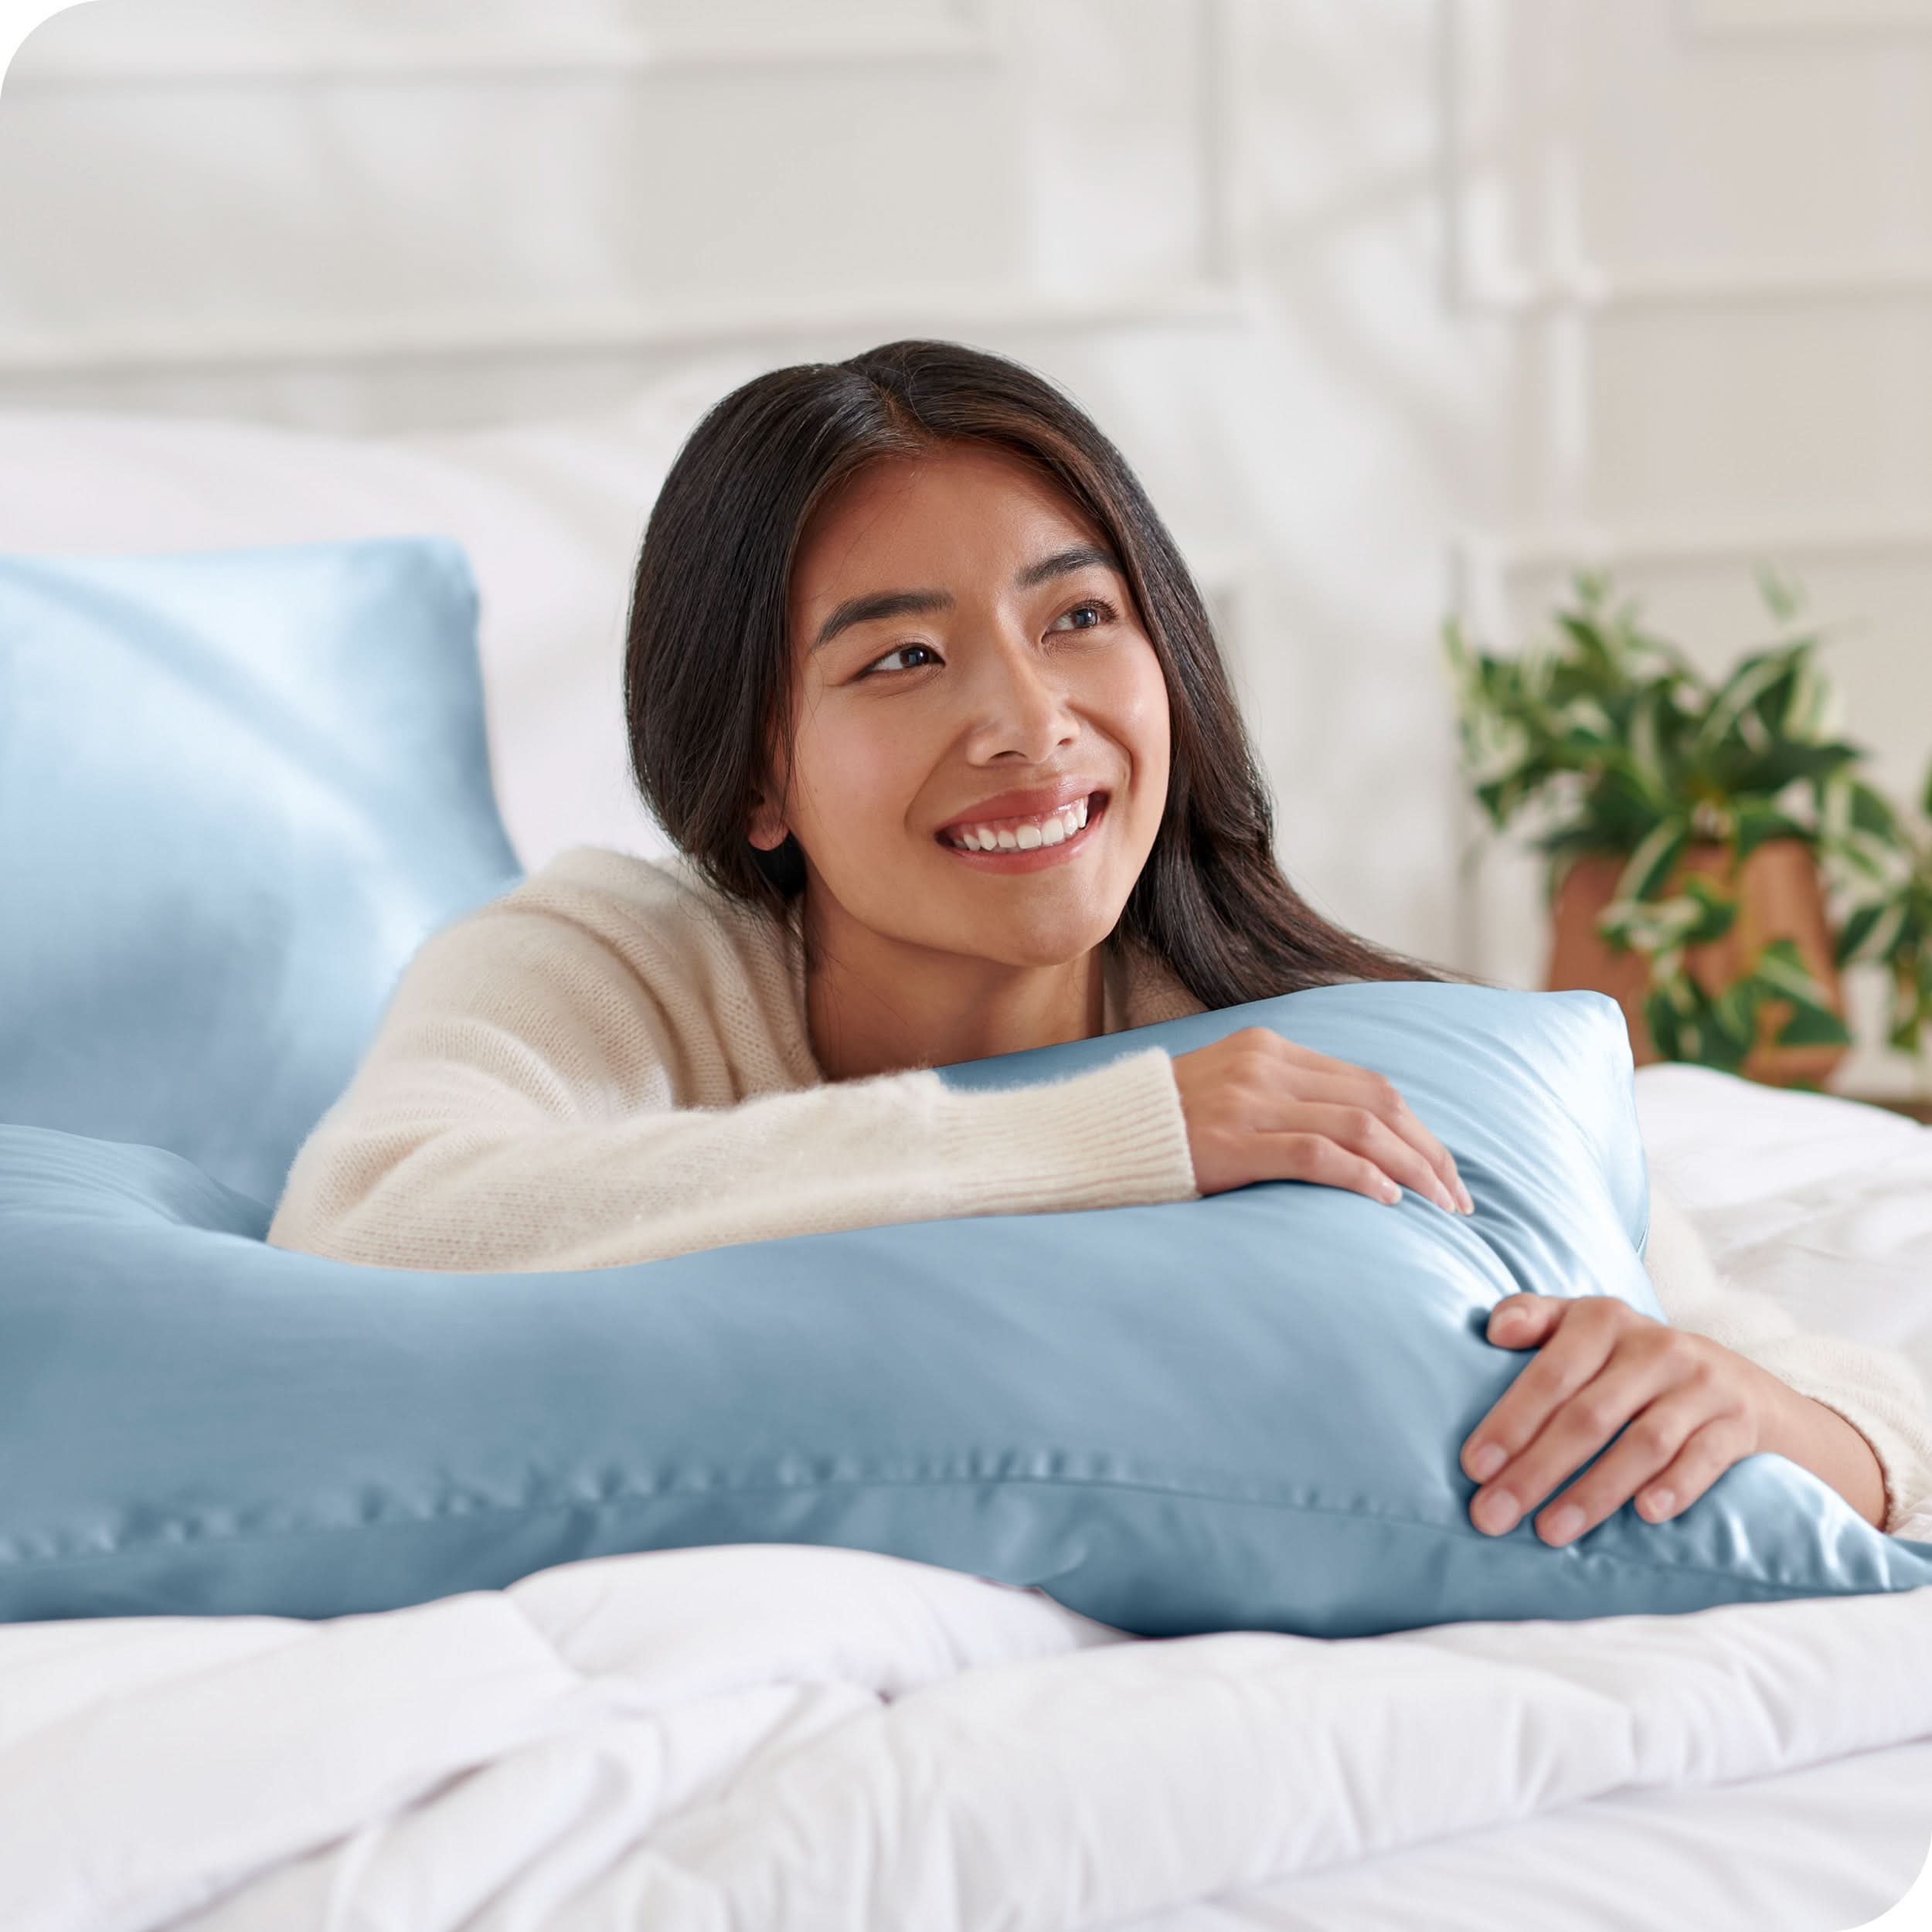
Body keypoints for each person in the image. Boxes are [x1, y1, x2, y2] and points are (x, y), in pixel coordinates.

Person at [266, 338, 1932, 1548]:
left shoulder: (1315, 1039)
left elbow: (1872, 1431)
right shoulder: (615, 958)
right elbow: (366, 1227)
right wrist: (1111, 1135)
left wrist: (1754, 1414)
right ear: (756, 769)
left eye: (1077, 617)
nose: (1025, 719)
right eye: (901, 659)